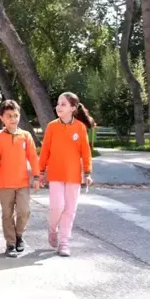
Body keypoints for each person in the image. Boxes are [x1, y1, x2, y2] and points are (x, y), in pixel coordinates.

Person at [39, 92, 94, 257]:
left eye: (63, 104)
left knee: (70, 209)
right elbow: (45, 151)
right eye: (58, 103)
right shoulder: (52, 127)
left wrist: (88, 172)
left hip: (74, 176)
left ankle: (64, 242)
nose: (59, 107)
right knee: (57, 206)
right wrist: (40, 172)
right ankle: (52, 228)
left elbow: (86, 152)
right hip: (55, 174)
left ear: (73, 108)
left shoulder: (80, 128)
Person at [0, 100, 40, 258]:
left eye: (16, 115)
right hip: (4, 183)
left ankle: (19, 235)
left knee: (24, 212)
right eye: (9, 116)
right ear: (2, 118)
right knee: (7, 214)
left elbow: (33, 157)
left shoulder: (25, 136)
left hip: (22, 183)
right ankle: (10, 243)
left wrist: (37, 177)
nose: (13, 119)